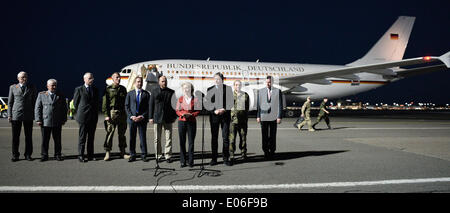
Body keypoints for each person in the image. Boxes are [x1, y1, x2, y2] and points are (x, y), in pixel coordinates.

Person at [34, 79, 67, 162]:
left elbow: (64, 108)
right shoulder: (41, 95)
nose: (54, 87)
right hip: (45, 121)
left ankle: (58, 155)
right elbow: (37, 108)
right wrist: (38, 119)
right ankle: (44, 155)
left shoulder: (60, 95)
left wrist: (64, 119)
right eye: (52, 85)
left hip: (57, 121)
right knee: (45, 140)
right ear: (47, 86)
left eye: (55, 85)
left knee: (57, 140)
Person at [8, 71, 38, 162]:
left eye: (25, 77)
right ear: (18, 79)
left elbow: (35, 102)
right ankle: (15, 155)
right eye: (22, 77)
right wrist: (9, 115)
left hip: (28, 115)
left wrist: (35, 115)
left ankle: (28, 154)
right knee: (15, 137)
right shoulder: (13, 87)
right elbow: (10, 102)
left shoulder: (32, 87)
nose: (24, 79)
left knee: (28, 136)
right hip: (16, 115)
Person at [205, 72, 233, 166]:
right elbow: (208, 104)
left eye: (218, 79)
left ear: (222, 79)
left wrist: (224, 109)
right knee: (214, 138)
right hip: (214, 118)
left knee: (225, 138)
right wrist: (214, 111)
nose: (217, 81)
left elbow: (230, 103)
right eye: (215, 79)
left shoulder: (228, 89)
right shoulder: (210, 90)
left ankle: (226, 158)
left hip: (225, 117)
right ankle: (214, 159)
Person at [149, 76, 177, 163]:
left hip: (168, 118)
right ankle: (158, 155)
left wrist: (174, 117)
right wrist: (150, 117)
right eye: (163, 81)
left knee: (168, 138)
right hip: (157, 118)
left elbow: (174, 106)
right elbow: (151, 104)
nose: (164, 83)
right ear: (159, 82)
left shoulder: (171, 92)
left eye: (165, 81)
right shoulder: (154, 91)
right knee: (157, 138)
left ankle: (168, 156)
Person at [73, 72, 99, 162]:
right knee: (82, 138)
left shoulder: (95, 90)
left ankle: (90, 155)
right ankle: (81, 155)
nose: (92, 80)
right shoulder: (79, 89)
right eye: (90, 78)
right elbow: (75, 103)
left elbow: (96, 103)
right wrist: (81, 112)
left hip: (93, 118)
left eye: (92, 78)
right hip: (83, 117)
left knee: (91, 138)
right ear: (84, 79)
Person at [102, 72, 128, 161]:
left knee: (122, 134)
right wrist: (106, 115)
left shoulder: (123, 89)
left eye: (119, 77)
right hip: (112, 113)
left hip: (122, 113)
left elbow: (126, 102)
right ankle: (108, 152)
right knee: (110, 133)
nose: (119, 79)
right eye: (117, 77)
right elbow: (105, 103)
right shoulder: (108, 89)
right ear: (112, 79)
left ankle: (123, 152)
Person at [256, 76, 283, 160]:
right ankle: (265, 152)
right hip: (263, 117)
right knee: (264, 135)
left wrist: (279, 116)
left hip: (274, 117)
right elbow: (258, 105)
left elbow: (280, 105)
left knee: (272, 135)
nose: (268, 84)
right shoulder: (260, 91)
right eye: (267, 82)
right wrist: (258, 116)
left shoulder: (278, 91)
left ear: (272, 82)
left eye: (270, 82)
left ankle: (272, 151)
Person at [125, 77, 150, 162]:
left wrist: (142, 116)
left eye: (141, 82)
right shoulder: (129, 94)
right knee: (132, 137)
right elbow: (126, 106)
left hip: (142, 119)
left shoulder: (146, 94)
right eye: (138, 82)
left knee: (142, 137)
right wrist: (131, 116)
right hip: (132, 119)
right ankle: (132, 154)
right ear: (135, 83)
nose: (140, 83)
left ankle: (144, 154)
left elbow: (148, 107)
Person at [176, 82, 200, 168]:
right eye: (185, 88)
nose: (186, 90)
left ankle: (191, 161)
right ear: (183, 89)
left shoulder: (196, 99)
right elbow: (177, 110)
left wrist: (191, 115)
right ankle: (183, 161)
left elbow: (198, 111)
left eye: (188, 88)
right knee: (182, 142)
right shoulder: (180, 99)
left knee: (191, 142)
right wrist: (181, 114)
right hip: (182, 121)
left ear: (191, 89)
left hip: (191, 122)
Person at [229, 80, 249, 164]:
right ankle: (232, 155)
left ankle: (243, 154)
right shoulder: (230, 95)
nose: (238, 86)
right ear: (234, 86)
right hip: (232, 121)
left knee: (243, 138)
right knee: (232, 139)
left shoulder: (245, 95)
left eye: (239, 85)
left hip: (242, 121)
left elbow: (247, 108)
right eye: (236, 85)